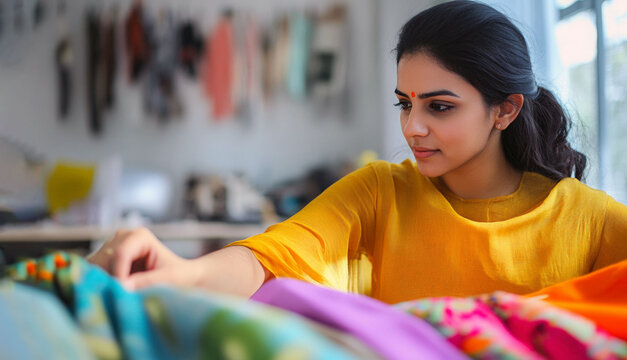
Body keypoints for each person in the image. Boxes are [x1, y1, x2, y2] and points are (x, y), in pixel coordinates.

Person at [88, 1, 627, 304]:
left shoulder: (592, 222)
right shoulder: (379, 191)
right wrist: (178, 272)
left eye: (439, 107)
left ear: (504, 111)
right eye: (404, 103)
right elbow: (271, 258)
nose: (412, 127)